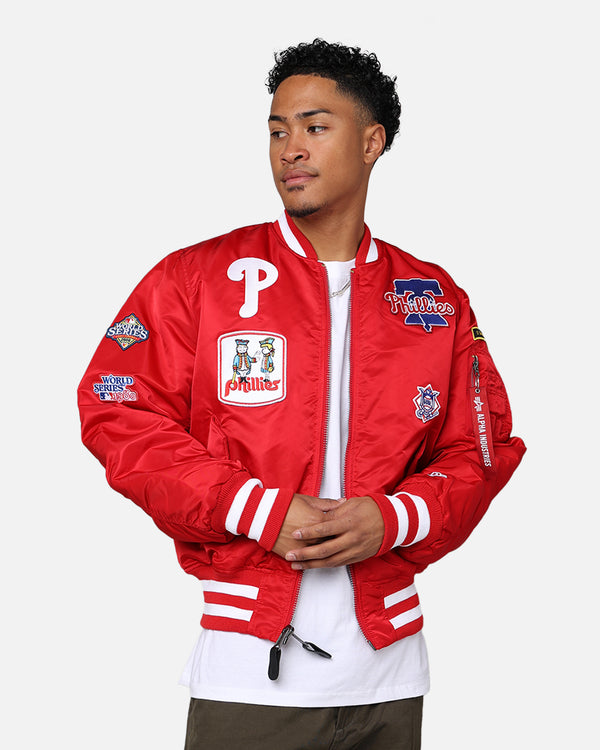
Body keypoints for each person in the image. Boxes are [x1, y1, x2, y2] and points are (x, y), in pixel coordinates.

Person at [78, 39, 526, 750]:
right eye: (277, 130)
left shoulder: (433, 297)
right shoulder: (197, 278)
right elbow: (117, 410)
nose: (290, 148)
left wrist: (395, 518)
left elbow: (482, 447)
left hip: (389, 677)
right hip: (249, 676)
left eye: (315, 127)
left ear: (372, 142)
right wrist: (256, 509)